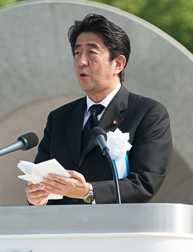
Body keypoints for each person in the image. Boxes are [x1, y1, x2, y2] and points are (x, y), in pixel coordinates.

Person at [25, 13, 173, 206]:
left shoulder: (148, 113)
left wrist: (88, 192)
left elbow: (145, 183)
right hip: (62, 231)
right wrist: (35, 196)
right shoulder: (59, 118)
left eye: (91, 53)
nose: (81, 62)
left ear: (118, 64)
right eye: (77, 53)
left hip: (113, 231)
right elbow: (40, 178)